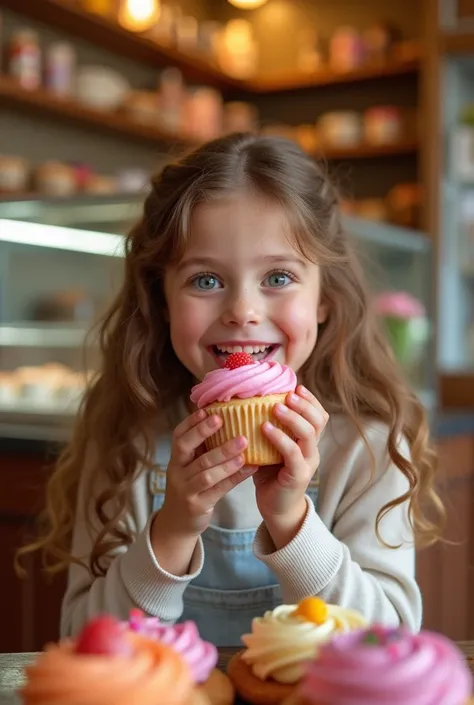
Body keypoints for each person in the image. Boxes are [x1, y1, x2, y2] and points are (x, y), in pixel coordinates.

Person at [19, 133, 443, 646]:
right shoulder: (126, 440)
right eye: (205, 281)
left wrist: (290, 521)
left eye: (279, 277)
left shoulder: (368, 446)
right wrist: (173, 527)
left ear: (325, 299)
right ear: (162, 299)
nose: (243, 310)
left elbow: (390, 643)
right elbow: (84, 639)